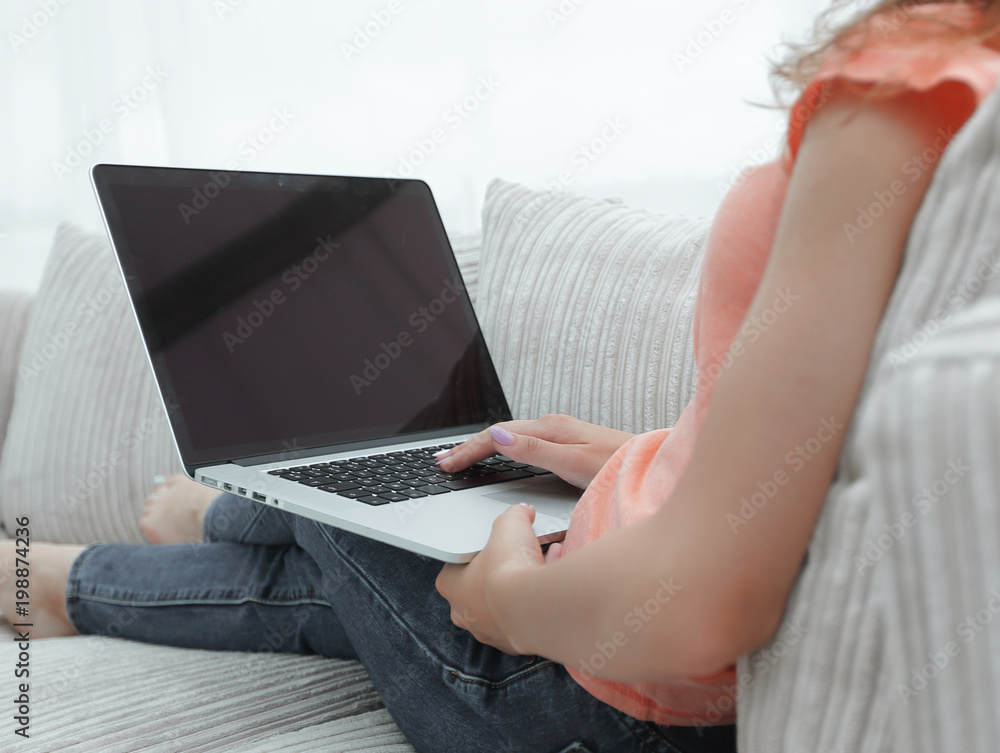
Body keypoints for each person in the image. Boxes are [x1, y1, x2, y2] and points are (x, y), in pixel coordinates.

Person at [4, 2, 1000, 750]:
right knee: (390, 470)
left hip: (580, 687)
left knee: (314, 463)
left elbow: (699, 607)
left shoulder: (913, 80)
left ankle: (196, 523)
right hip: (633, 629)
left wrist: (510, 603)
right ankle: (115, 560)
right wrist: (630, 460)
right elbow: (852, 450)